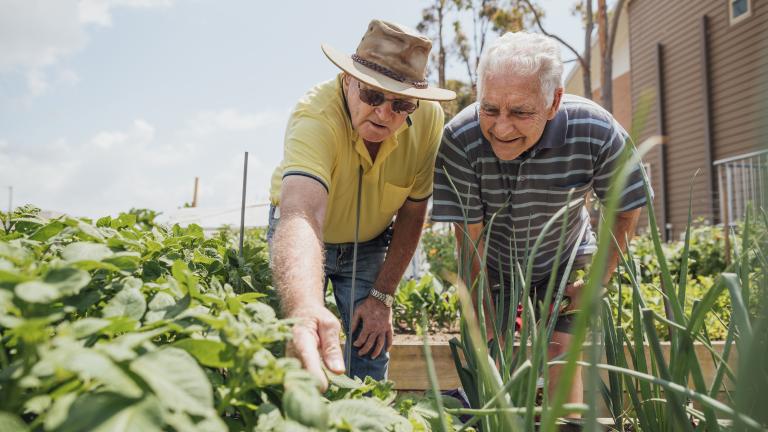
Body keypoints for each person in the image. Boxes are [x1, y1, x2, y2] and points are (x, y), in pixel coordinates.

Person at [432, 31, 648, 413]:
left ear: (554, 102)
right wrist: (485, 322)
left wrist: (597, 279)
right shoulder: (462, 139)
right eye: (490, 108)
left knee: (561, 360)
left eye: (520, 112)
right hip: (494, 263)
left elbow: (626, 207)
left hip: (566, 258)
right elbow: (471, 242)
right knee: (490, 369)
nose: (500, 128)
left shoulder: (595, 130)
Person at [268, 19, 455, 390]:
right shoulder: (315, 117)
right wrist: (305, 307)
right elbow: (302, 213)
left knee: (370, 345)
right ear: (347, 80)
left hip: (368, 242)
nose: (384, 114)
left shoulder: (429, 120)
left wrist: (382, 296)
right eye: (372, 96)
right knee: (296, 339)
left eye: (400, 104)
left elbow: (414, 211)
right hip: (307, 237)